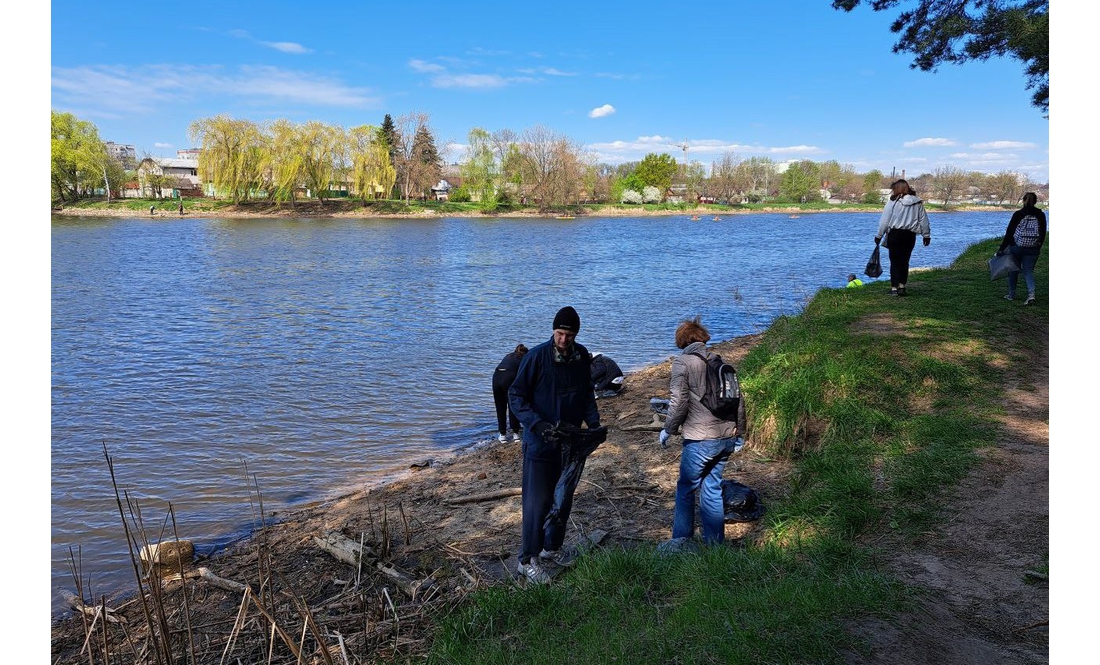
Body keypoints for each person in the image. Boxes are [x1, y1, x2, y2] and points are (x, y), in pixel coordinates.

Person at [509, 306, 601, 583]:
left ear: (576, 335)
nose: (563, 340)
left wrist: (594, 424)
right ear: (553, 331)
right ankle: (527, 559)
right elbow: (516, 396)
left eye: (569, 335)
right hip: (540, 442)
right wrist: (537, 425)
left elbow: (587, 392)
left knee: (562, 499)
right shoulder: (536, 357)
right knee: (537, 503)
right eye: (560, 334)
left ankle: (552, 548)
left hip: (571, 441)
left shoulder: (581, 356)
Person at [659, 316, 746, 546]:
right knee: (712, 488)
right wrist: (740, 433)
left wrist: (668, 429)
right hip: (726, 436)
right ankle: (714, 544)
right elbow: (739, 399)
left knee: (686, 488)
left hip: (700, 439)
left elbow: (678, 402)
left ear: (682, 341)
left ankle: (680, 541)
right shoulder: (720, 360)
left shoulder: (682, 362)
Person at [875, 179, 931, 296]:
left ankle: (894, 288)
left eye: (894, 189)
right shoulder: (917, 202)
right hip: (909, 235)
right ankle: (902, 286)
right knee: (905, 261)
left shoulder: (892, 202)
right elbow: (923, 220)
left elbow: (884, 221)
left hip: (895, 235)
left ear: (897, 189)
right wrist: (926, 235)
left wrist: (879, 235)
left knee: (894, 261)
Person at [996, 192, 1046, 306]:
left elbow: (1009, 232)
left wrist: (1002, 248)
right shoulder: (1040, 214)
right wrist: (1038, 246)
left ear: (1023, 200)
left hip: (1017, 247)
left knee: (1013, 269)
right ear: (1036, 201)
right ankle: (1031, 295)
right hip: (1033, 248)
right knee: (1028, 272)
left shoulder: (1018, 214)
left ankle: (1011, 294)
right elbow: (1043, 233)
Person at [492, 344, 528, 443]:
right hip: (509, 376)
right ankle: (516, 434)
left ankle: (502, 435)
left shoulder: (509, 356)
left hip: (496, 376)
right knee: (513, 404)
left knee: (500, 406)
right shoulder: (524, 358)